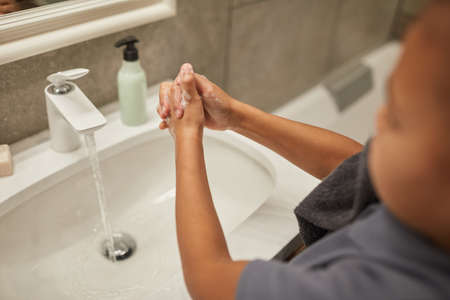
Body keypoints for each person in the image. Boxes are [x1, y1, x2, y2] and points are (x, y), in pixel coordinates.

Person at [157, 1, 450, 299]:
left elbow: (209, 278)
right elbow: (354, 167)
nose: (380, 118)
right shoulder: (426, 217)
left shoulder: (371, 288)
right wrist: (235, 115)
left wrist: (187, 134)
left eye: (398, 119)